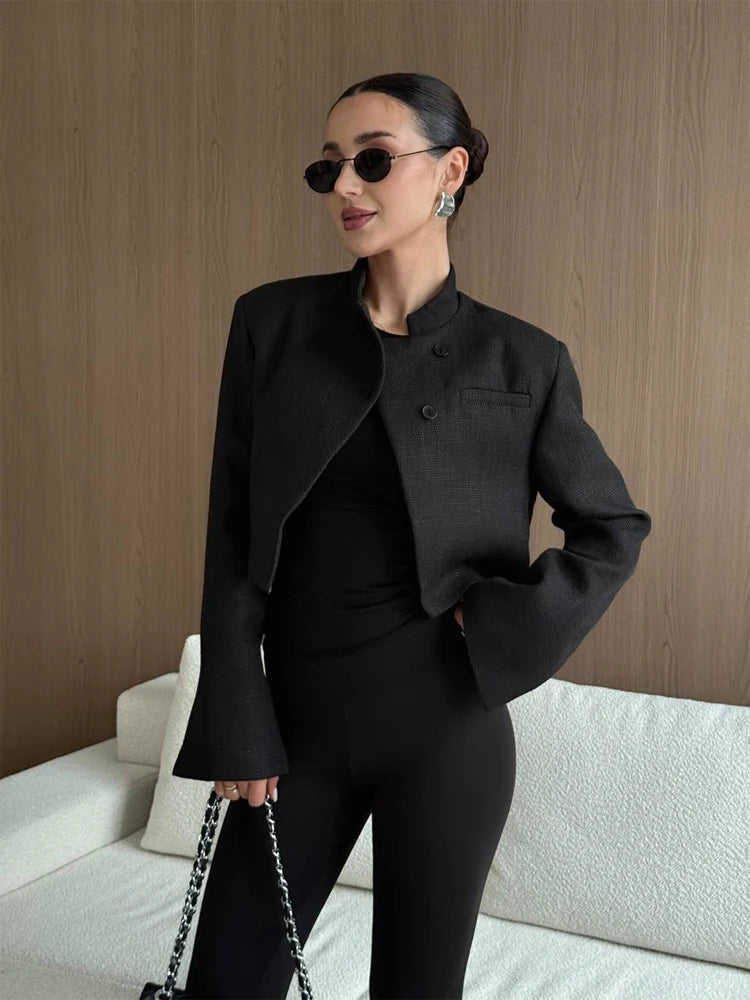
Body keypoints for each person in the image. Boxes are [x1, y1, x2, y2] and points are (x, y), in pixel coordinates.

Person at [177, 72, 650, 1000]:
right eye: (329, 167)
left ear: (450, 171)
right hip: (296, 726)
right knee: (223, 985)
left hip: (447, 732)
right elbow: (232, 529)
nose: (345, 186)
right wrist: (236, 718)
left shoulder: (524, 360)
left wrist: (502, 622)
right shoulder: (272, 324)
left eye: (373, 160)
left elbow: (612, 526)